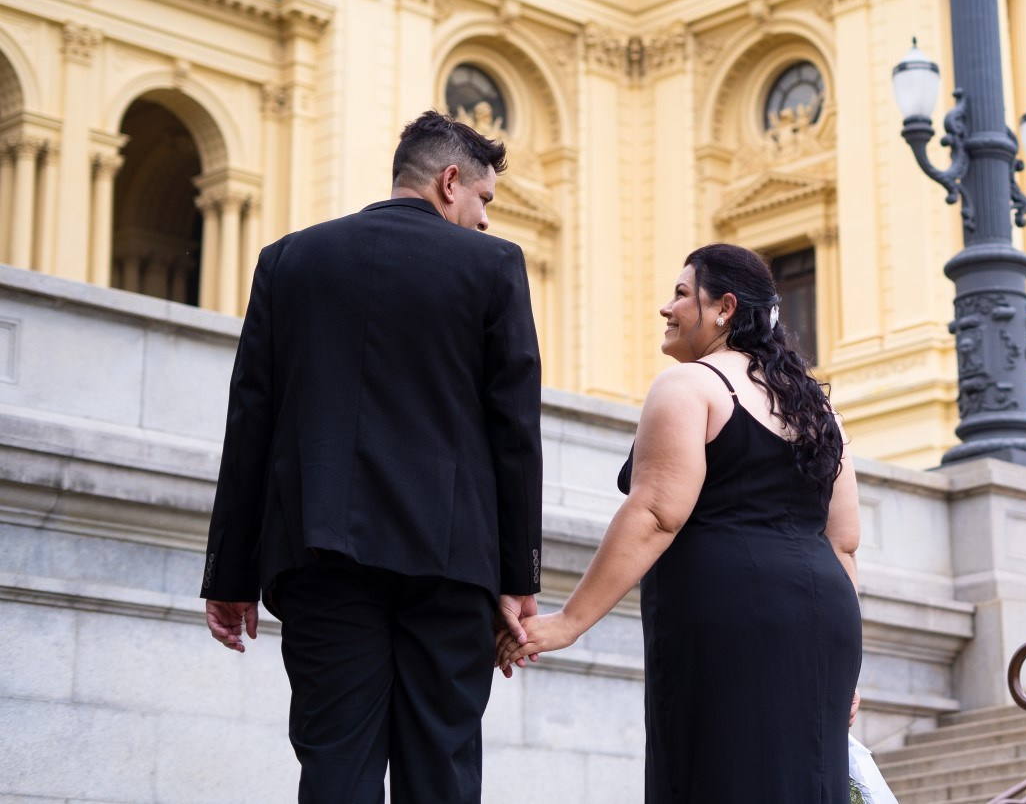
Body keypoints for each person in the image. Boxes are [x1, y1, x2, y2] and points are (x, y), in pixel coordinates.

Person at [201, 111, 544, 802]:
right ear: (451, 182)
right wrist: (517, 578)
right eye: (484, 201)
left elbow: (252, 423)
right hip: (451, 561)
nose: (485, 220)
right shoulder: (494, 265)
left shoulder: (289, 259)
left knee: (335, 763)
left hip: (322, 553)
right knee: (441, 766)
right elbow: (515, 430)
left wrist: (229, 572)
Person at [498, 243, 863, 802]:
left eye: (680, 294)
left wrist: (568, 622)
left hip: (729, 613)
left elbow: (655, 513)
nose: (666, 309)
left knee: (717, 776)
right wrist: (850, 666)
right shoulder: (819, 410)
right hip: (826, 619)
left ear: (724, 308)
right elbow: (844, 543)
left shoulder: (690, 386)